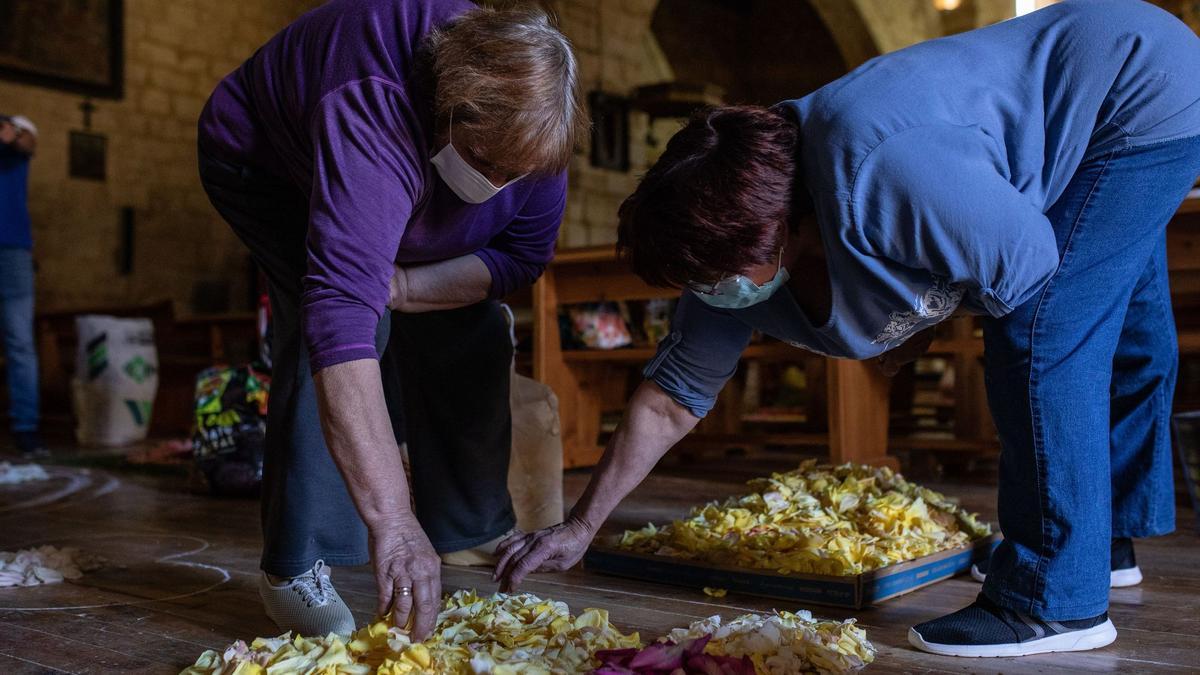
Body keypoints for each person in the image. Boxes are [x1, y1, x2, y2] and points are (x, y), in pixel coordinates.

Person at [495, 0, 1200, 659]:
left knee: (1043, 332)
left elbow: (1029, 267)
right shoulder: (730, 245)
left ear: (777, 231)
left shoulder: (879, 172)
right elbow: (671, 396)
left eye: (716, 276)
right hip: (1088, 99)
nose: (711, 295)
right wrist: (580, 526)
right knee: (1117, 316)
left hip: (1137, 89)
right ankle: (1100, 545)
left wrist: (924, 323)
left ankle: (1055, 597)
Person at [197, 0, 583, 638]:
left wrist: (406, 284)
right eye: (489, 166)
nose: (503, 181)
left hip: (417, 191)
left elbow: (521, 256)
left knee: (475, 327)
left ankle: (468, 522)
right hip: (269, 167)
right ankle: (298, 560)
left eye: (518, 174)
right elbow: (340, 313)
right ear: (450, 112)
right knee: (338, 322)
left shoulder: (537, 133)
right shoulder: (375, 103)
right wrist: (394, 523)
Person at [0, 113, 46, 459]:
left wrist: (11, 131)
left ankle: (26, 429)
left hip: (12, 251)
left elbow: (28, 142)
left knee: (19, 342)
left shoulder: (15, 127)